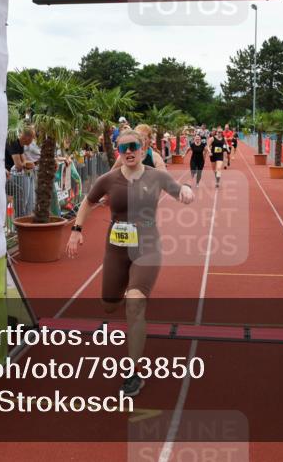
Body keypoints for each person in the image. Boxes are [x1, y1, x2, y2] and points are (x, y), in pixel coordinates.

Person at [66, 129, 194, 396]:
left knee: (134, 305)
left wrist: (185, 191)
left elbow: (178, 187)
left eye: (133, 146)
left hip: (147, 246)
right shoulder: (108, 179)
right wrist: (76, 231)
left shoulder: (156, 176)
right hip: (116, 248)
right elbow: (87, 203)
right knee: (109, 306)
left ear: (144, 147)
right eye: (123, 148)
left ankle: (134, 373)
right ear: (118, 152)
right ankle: (128, 295)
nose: (128, 152)